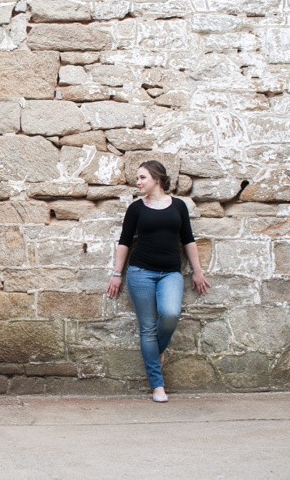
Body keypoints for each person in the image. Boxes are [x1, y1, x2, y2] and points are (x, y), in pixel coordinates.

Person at [107, 160, 210, 403]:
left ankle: (156, 352)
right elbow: (124, 241)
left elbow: (188, 239)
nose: (138, 182)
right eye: (138, 178)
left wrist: (197, 271)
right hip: (140, 273)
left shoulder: (179, 206)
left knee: (171, 313)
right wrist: (116, 273)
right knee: (147, 328)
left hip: (171, 273)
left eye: (142, 177)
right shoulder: (136, 208)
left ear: (156, 178)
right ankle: (157, 385)